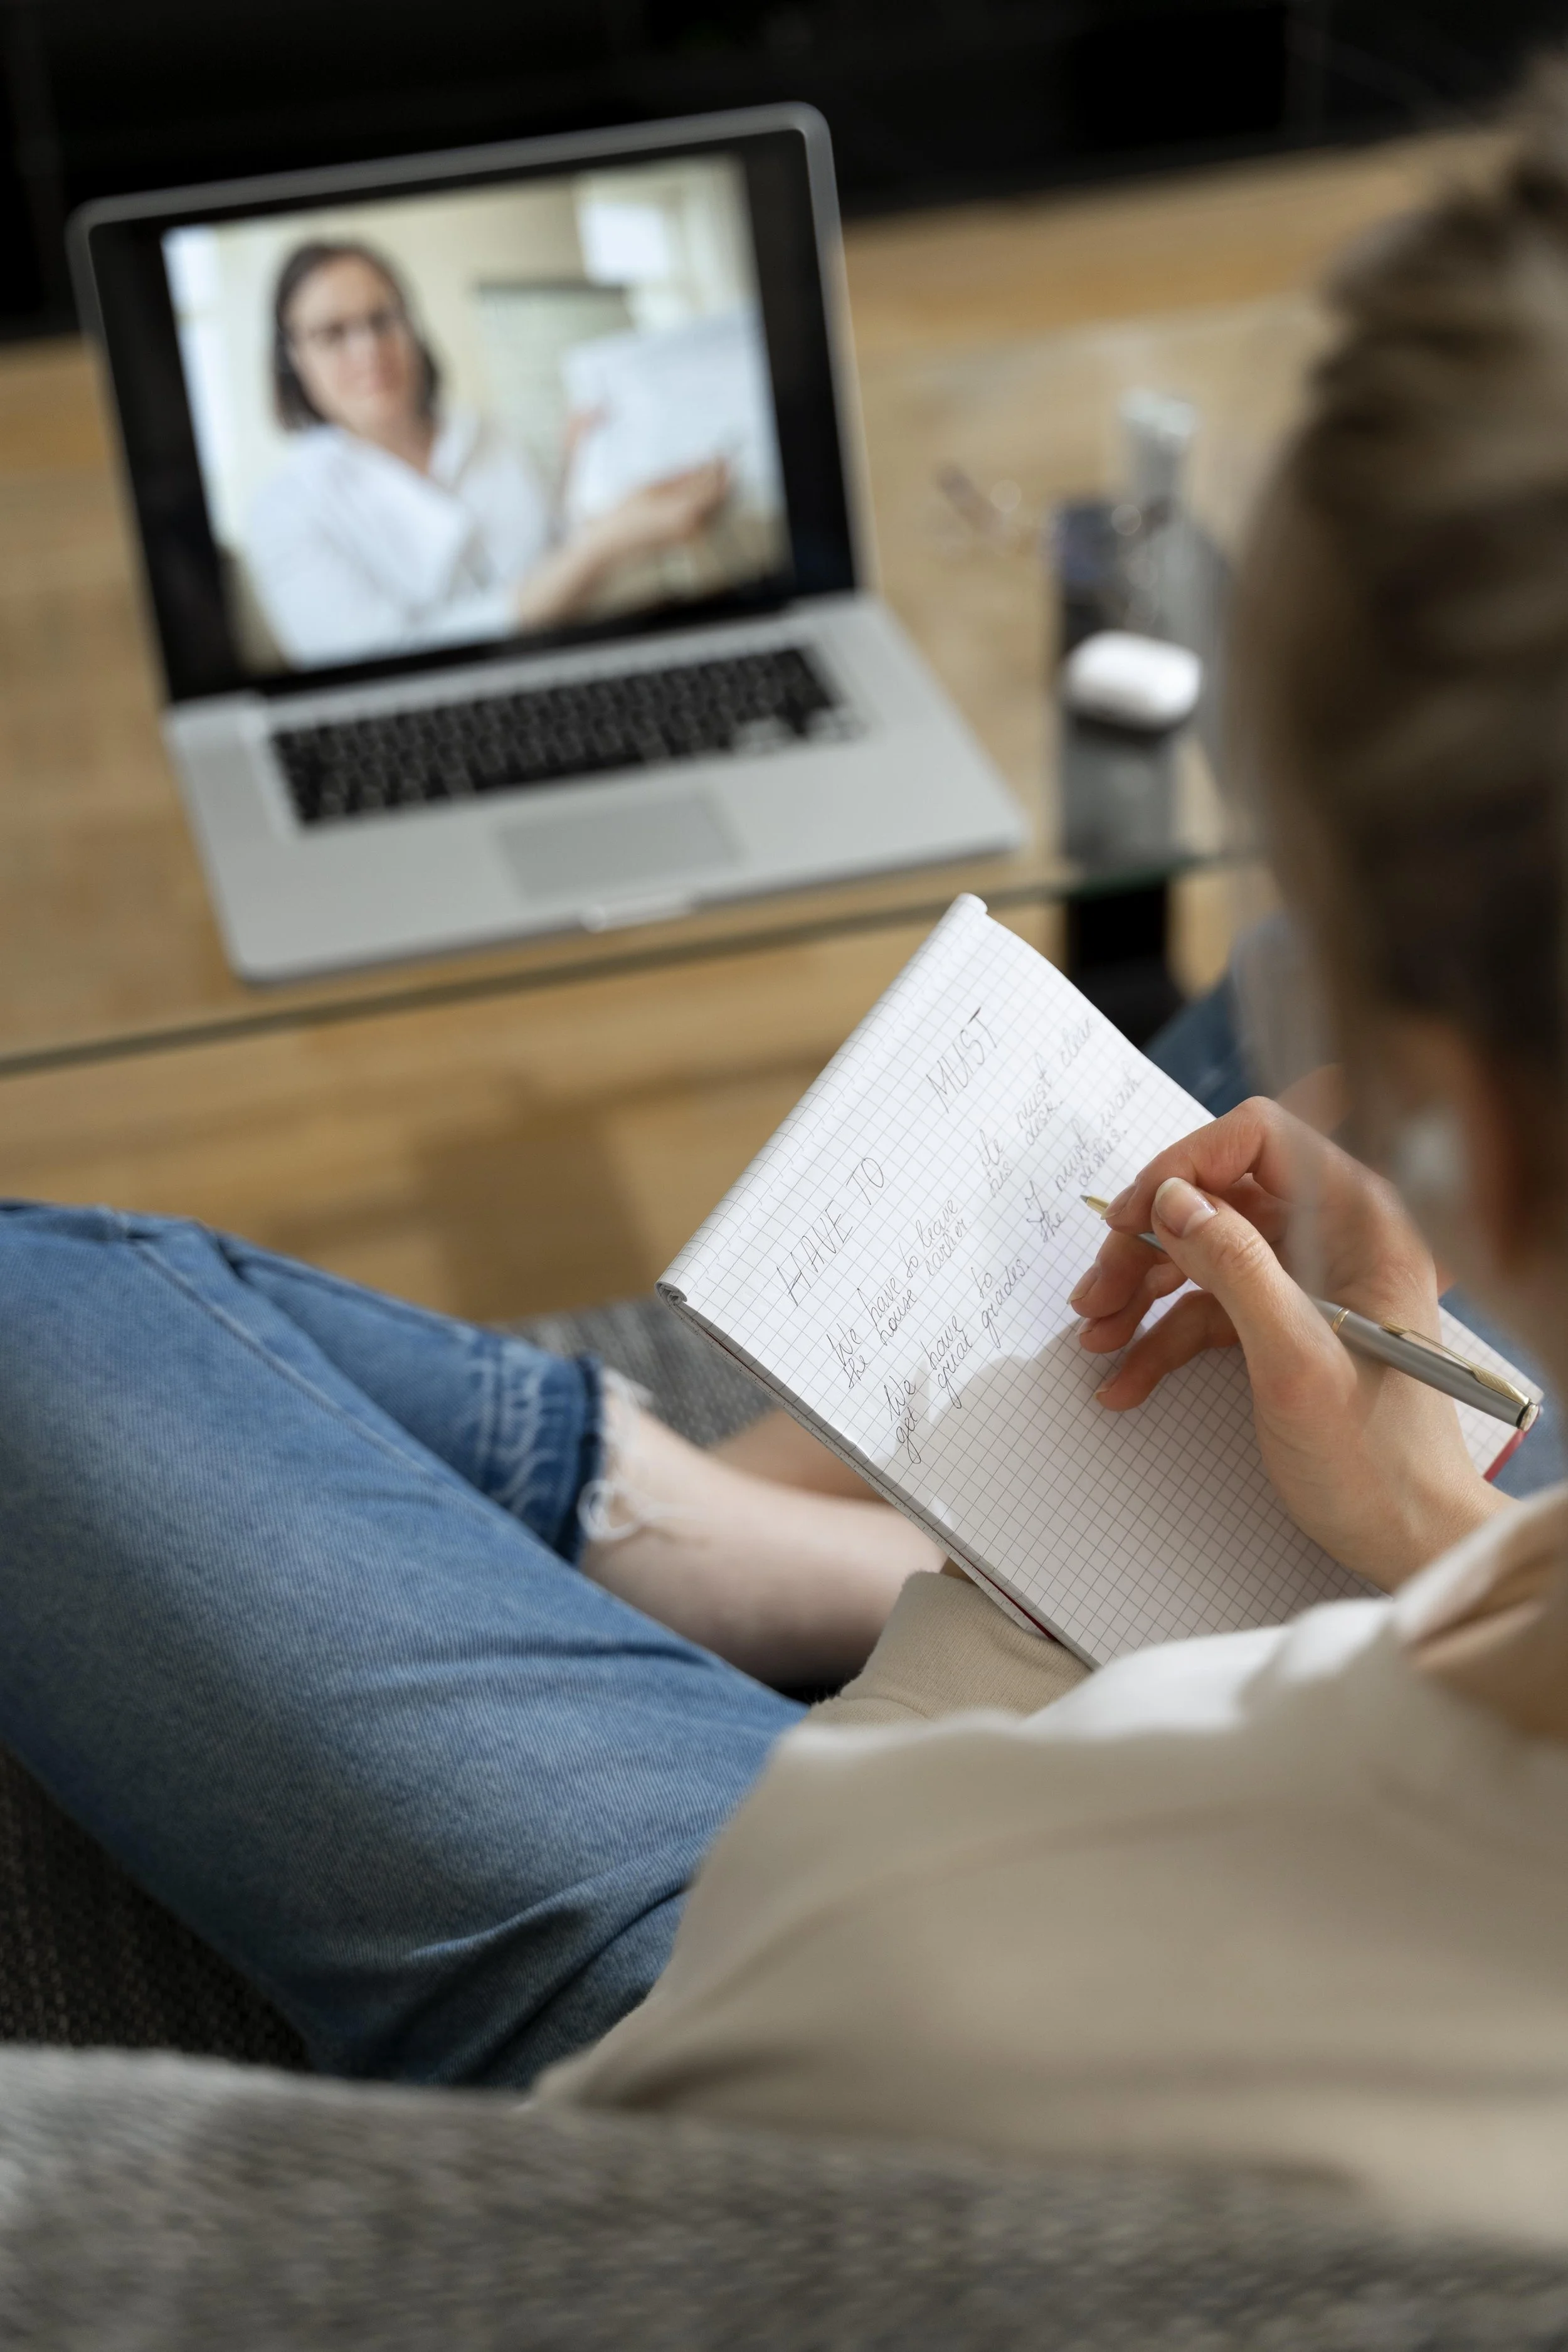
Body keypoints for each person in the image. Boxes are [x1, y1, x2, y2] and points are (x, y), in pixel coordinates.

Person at [6, 72, 1568, 2249]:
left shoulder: (934, 1931)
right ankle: (754, 1507)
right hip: (1382, 1644)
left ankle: (743, 1530)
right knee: (1247, 1055)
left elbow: (804, 1961)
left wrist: (978, 1624)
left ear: (1466, 1127)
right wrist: (1423, 1519)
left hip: (838, 1954)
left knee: (30, 1309)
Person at [244, 240, 730, 667]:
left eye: (382, 319)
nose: (369, 350)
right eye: (332, 334)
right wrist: (599, 550)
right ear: (293, 357)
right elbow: (384, 669)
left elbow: (552, 554)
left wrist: (583, 472)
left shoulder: (493, 434)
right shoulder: (284, 512)